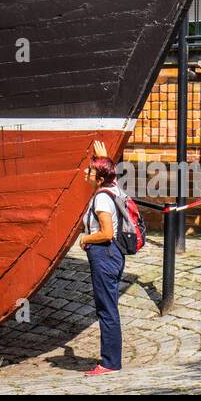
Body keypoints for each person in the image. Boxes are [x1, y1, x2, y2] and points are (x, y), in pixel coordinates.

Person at [78, 155, 124, 376]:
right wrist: (105, 154)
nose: (85, 173)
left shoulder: (102, 200)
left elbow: (106, 233)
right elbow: (112, 175)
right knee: (109, 306)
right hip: (112, 254)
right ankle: (112, 359)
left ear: (99, 178)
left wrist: (85, 239)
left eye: (90, 170)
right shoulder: (112, 190)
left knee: (106, 309)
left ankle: (109, 363)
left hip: (104, 254)